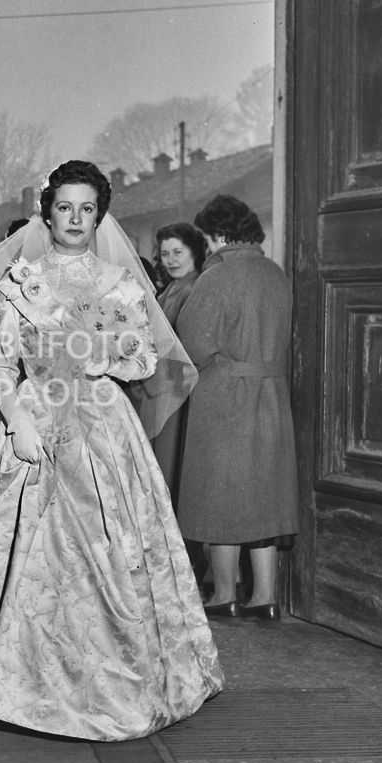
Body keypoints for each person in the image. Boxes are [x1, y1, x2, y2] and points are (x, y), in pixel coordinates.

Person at [0, 160, 223, 742]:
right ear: (47, 213)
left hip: (103, 431)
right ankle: (20, 681)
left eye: (86, 209)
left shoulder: (120, 284)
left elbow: (144, 361)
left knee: (106, 557)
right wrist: (16, 418)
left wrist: (102, 358)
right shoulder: (18, 282)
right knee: (27, 557)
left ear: (99, 215)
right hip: (33, 424)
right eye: (64, 207)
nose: (75, 219)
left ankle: (114, 682)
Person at [176, 195, 298, 622]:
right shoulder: (276, 275)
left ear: (218, 235)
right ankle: (265, 596)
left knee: (218, 496)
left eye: (206, 239)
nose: (206, 248)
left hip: (225, 397)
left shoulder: (218, 278)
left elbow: (191, 346)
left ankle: (224, 592)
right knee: (264, 498)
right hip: (272, 396)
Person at [149, 222, 208, 586]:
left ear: (194, 253)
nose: (170, 260)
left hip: (179, 399)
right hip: (157, 395)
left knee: (176, 480)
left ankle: (186, 570)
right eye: (165, 253)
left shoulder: (196, 289)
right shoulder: (170, 289)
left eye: (178, 253)